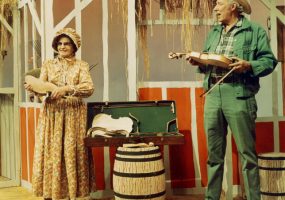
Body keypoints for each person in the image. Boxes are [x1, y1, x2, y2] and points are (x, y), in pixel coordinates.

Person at [187, 0, 278, 199]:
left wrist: (249, 65)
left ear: (233, 6)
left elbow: (269, 61)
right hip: (213, 94)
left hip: (239, 94)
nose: (215, 8)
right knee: (214, 156)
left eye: (220, 4)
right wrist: (199, 62)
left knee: (247, 156)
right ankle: (212, 197)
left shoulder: (254, 31)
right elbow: (209, 61)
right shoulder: (214, 32)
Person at [24, 28, 95, 200]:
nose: (62, 47)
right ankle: (51, 193)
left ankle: (74, 194)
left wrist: (67, 89)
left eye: (67, 44)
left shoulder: (81, 65)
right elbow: (42, 90)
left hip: (73, 114)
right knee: (52, 152)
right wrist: (34, 90)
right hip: (52, 115)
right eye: (60, 44)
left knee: (72, 152)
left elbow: (89, 88)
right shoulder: (48, 64)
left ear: (74, 46)